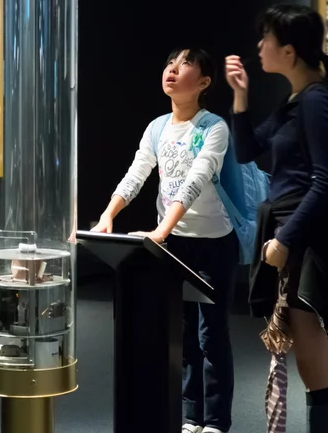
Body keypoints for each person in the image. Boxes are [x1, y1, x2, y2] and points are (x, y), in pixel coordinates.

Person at [92, 48, 239, 433]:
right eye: (169, 65)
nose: (172, 71)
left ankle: (217, 421)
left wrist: (161, 229)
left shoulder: (214, 127)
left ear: (204, 83)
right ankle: (191, 416)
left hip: (212, 244)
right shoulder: (157, 127)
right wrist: (109, 214)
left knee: (212, 335)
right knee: (183, 332)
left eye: (184, 66)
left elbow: (197, 180)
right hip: (174, 244)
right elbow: (136, 174)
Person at [225, 4, 328, 433]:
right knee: (317, 352)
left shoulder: (317, 102)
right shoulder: (298, 99)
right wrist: (240, 96)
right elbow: (246, 151)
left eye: (267, 39)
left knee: (313, 357)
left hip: (309, 240)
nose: (260, 46)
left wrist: (287, 240)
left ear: (290, 51)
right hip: (300, 234)